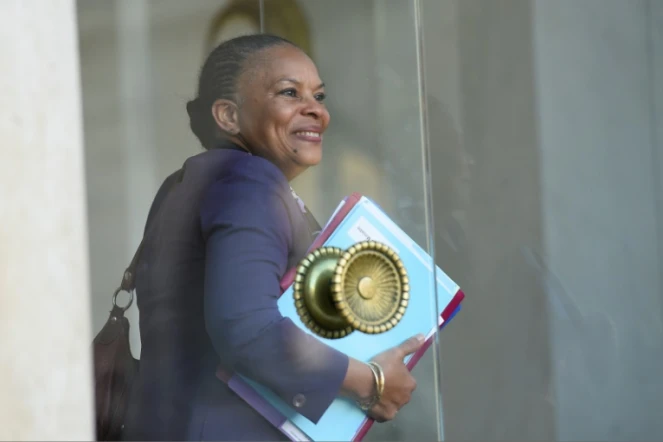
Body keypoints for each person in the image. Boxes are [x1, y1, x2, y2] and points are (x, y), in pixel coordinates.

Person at [122, 34, 423, 441]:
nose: (315, 110)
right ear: (228, 116)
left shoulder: (184, 183)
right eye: (289, 93)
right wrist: (371, 382)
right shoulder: (250, 182)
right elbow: (248, 330)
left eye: (319, 96)